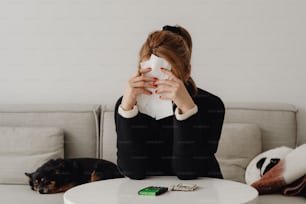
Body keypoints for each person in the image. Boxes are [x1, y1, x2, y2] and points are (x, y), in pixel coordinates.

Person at [114, 25, 225, 180]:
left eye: (166, 74)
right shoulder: (127, 105)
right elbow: (132, 171)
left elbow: (188, 171)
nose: (158, 82)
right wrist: (127, 110)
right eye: (150, 72)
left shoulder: (211, 106)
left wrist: (187, 110)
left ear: (186, 72)